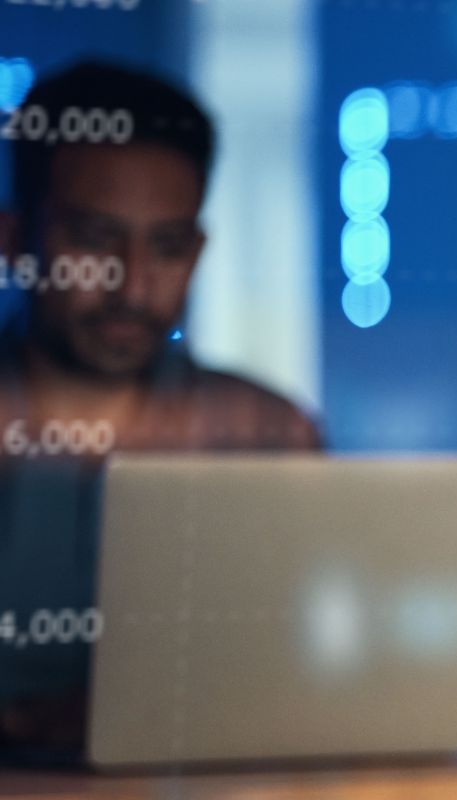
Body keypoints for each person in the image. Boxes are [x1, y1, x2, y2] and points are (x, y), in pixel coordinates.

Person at [0, 61, 319, 755]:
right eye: (93, 240)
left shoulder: (269, 437)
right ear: (14, 238)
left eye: (168, 247)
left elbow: (320, 683)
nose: (134, 286)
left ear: (198, 251)